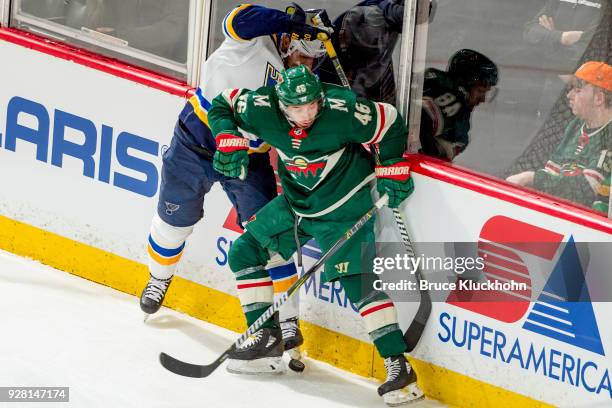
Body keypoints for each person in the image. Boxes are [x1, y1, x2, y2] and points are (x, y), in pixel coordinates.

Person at [208, 65, 424, 405]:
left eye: (311, 105)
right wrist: (227, 137)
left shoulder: (344, 111)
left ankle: (398, 367)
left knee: (359, 282)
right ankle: (265, 339)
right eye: (296, 108)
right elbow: (222, 103)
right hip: (296, 205)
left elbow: (392, 120)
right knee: (243, 253)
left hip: (343, 209)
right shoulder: (262, 107)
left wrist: (391, 165)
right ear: (281, 105)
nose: (305, 114)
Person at [139, 4, 331, 357]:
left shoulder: (305, 88)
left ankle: (287, 319)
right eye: (302, 57)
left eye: (312, 61)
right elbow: (237, 18)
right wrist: (287, 19)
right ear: (287, 41)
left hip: (250, 161)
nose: (306, 66)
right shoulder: (250, 42)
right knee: (172, 222)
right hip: (195, 144)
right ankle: (159, 277)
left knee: (271, 241)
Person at [506, 61, 612, 213]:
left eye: (577, 90)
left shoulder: (609, 135)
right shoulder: (576, 125)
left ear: (599, 99)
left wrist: (532, 178)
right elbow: (553, 171)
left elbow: (585, 190)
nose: (569, 95)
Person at [418, 49, 499, 161]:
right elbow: (420, 117)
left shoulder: (432, 80)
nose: (483, 99)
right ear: (464, 84)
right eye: (480, 91)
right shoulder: (449, 97)